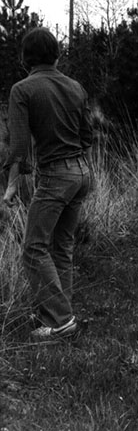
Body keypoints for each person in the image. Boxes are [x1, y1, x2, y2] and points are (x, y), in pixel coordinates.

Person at [3, 27, 93, 340]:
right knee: (61, 248)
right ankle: (56, 315)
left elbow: (18, 146)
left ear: (25, 58)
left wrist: (13, 184)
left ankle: (61, 319)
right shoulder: (75, 86)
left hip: (56, 176)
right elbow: (87, 137)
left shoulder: (22, 90)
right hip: (82, 173)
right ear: (55, 53)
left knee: (32, 248)